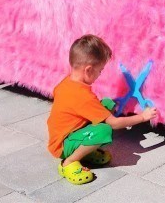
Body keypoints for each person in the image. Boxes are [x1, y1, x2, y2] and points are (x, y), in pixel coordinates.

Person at [47, 34, 158, 185]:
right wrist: (143, 117)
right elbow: (114, 123)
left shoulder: (67, 82)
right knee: (104, 131)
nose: (100, 74)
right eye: (100, 70)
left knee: (106, 103)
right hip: (62, 145)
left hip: (63, 134)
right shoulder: (82, 96)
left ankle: (85, 150)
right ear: (88, 70)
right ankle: (69, 162)